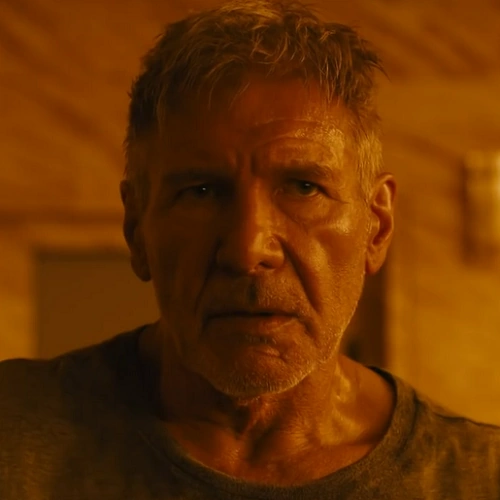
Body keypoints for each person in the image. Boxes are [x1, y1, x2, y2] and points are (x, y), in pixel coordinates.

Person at [1, 0, 500, 498]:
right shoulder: (14, 439)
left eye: (304, 188)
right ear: (136, 227)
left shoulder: (478, 479)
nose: (247, 250)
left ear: (377, 226)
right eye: (200, 192)